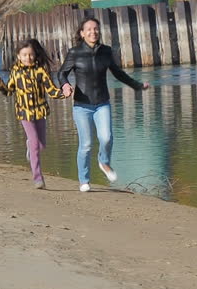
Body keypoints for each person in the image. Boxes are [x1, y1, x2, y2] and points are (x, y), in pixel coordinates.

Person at [58, 17, 150, 192]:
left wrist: (137, 86)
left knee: (106, 137)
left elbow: (118, 73)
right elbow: (62, 73)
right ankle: (84, 180)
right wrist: (64, 85)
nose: (93, 32)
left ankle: (104, 162)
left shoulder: (106, 51)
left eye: (96, 29)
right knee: (85, 144)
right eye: (89, 29)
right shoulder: (74, 53)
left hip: (102, 103)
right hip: (82, 105)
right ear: (82, 33)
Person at [0, 38, 65, 189]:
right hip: (25, 113)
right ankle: (38, 178)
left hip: (40, 111)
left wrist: (64, 93)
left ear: (35, 55)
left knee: (41, 145)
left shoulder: (41, 71)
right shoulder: (15, 72)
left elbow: (51, 90)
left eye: (30, 55)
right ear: (18, 56)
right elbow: (8, 91)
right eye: (24, 55)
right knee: (35, 144)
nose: (27, 58)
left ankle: (30, 146)